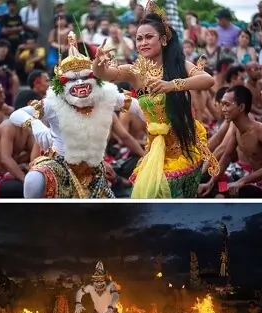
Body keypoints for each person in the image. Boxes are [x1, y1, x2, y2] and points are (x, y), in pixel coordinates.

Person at [92, 1, 218, 198]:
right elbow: (104, 74)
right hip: (155, 149)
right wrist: (97, 63)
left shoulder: (179, 65)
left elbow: (208, 80)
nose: (143, 43)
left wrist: (172, 85)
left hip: (182, 147)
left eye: (149, 37)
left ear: (164, 40)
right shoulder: (135, 72)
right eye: (139, 38)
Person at [8, 32, 142, 198]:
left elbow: (136, 106)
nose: (80, 83)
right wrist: (35, 124)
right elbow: (16, 114)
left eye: (85, 77)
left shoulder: (104, 96)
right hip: (60, 165)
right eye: (73, 79)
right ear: (62, 82)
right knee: (33, 180)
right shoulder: (54, 103)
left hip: (93, 169)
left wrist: (157, 122)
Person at [201, 85, 262, 197]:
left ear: (241, 107)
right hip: (250, 180)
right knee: (213, 191)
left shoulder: (260, 131)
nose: (223, 109)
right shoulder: (236, 128)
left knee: (226, 195)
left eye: (227, 105)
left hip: (258, 186)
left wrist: (242, 181)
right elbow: (227, 156)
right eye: (222, 104)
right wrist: (210, 183)